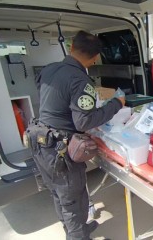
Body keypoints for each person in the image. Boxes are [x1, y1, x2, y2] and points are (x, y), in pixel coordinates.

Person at [33, 30, 125, 239]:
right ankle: (77, 235)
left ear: (71, 47)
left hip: (41, 142)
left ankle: (78, 230)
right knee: (73, 201)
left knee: (60, 196)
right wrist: (115, 104)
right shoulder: (80, 80)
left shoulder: (49, 69)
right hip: (60, 151)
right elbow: (84, 121)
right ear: (94, 59)